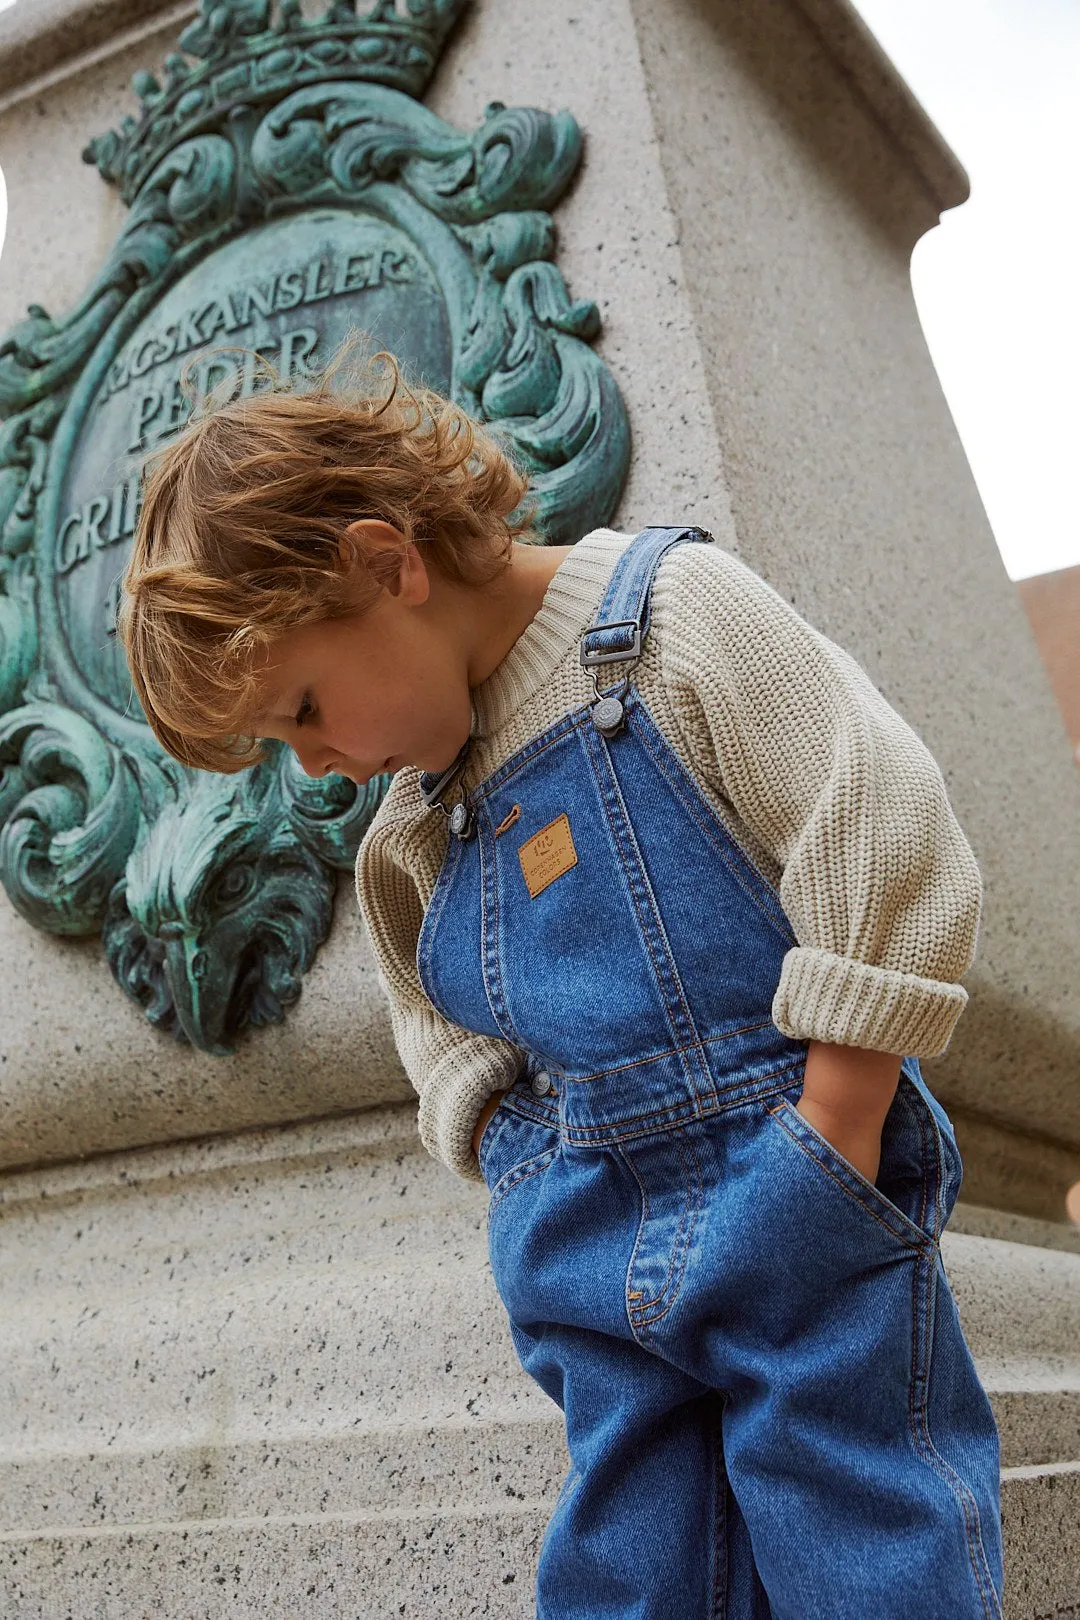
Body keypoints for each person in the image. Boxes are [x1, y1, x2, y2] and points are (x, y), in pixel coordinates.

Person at [119, 347, 1004, 1620]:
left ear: (387, 563)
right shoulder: (414, 826)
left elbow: (878, 822)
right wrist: (513, 1161)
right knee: (629, 1571)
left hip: (794, 1172)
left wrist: (841, 1124)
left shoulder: (670, 620)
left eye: (305, 708)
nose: (314, 766)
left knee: (859, 1534)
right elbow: (439, 1025)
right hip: (586, 1232)